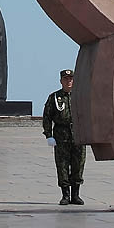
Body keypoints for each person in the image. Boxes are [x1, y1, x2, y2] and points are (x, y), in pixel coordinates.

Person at [42, 69, 86, 206]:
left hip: (78, 135)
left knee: (78, 165)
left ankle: (76, 195)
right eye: (66, 79)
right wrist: (49, 135)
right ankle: (65, 195)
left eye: (71, 79)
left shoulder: (81, 96)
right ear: (61, 81)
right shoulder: (54, 97)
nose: (69, 81)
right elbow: (47, 117)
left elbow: (89, 115)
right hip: (61, 135)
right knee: (62, 166)